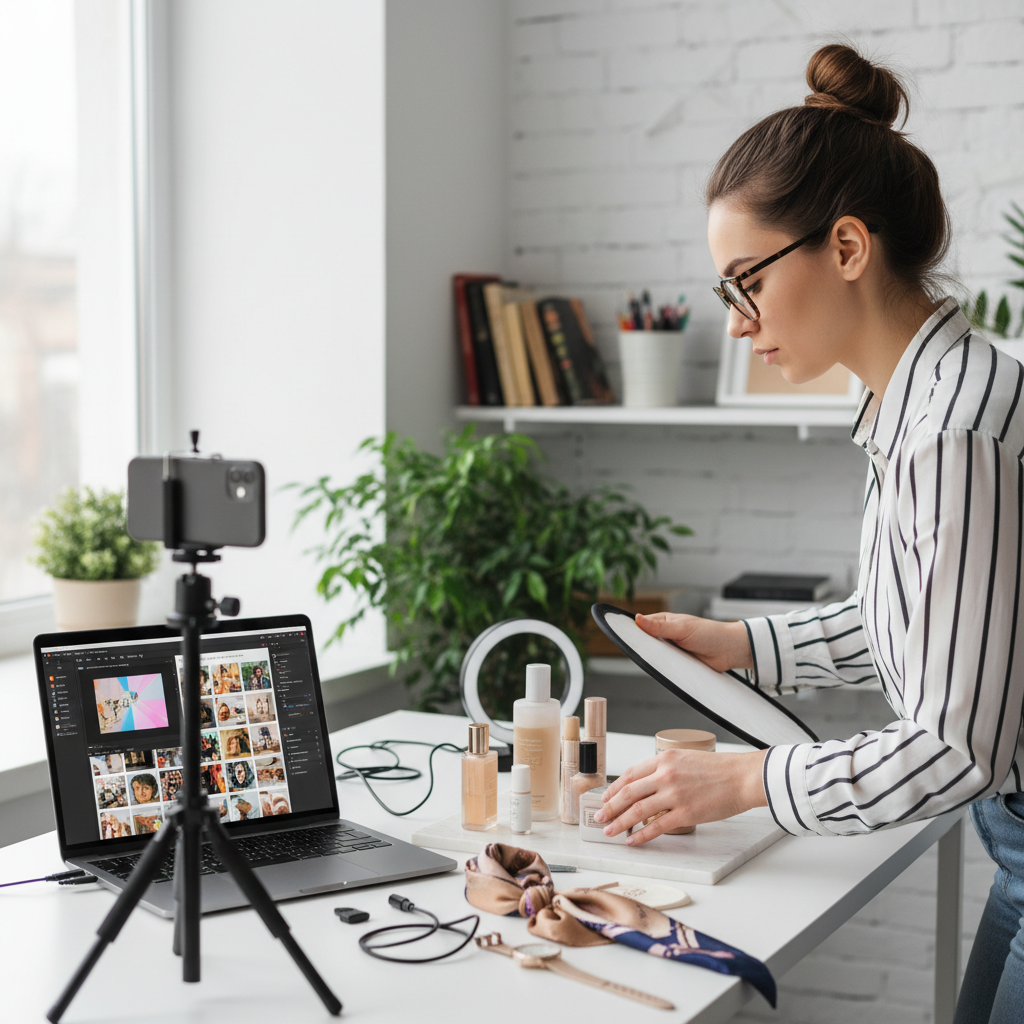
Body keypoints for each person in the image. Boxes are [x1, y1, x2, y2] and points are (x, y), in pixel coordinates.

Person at [593, 45, 1024, 1024]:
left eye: (746, 279)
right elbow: (926, 618)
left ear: (843, 248)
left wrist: (742, 779)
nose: (738, 322)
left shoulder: (951, 431)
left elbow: (957, 748)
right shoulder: (925, 405)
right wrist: (742, 645)